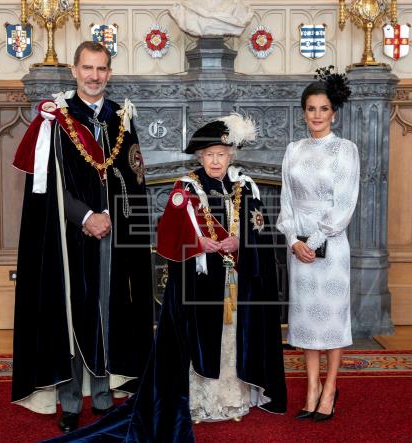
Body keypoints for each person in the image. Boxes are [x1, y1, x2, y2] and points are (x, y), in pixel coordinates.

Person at [46, 114, 287, 442]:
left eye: (222, 154)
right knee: (202, 340)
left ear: (231, 155)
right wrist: (199, 243)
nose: (216, 161)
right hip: (199, 284)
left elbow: (259, 229)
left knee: (231, 339)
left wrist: (240, 242)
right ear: (200, 157)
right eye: (209, 155)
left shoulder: (247, 187)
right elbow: (168, 237)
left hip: (235, 281)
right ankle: (202, 403)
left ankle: (232, 399)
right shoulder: (185, 189)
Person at [11, 41, 154, 433]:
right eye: (88, 68)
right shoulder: (56, 119)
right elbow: (48, 185)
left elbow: (133, 179)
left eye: (102, 69)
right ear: (74, 70)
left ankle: (105, 394)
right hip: (68, 235)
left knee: (110, 310)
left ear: (109, 72)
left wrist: (112, 219)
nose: (94, 76)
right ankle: (71, 400)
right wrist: (87, 216)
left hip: (114, 235)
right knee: (74, 312)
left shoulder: (119, 119)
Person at [276, 66, 358, 422]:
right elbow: (285, 201)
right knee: (306, 322)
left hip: (332, 246)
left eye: (324, 109)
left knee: (332, 321)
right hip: (301, 250)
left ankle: (330, 389)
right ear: (304, 112)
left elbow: (345, 202)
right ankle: (310, 388)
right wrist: (294, 240)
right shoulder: (293, 149)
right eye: (311, 108)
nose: (317, 115)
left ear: (334, 113)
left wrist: (317, 239)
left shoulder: (345, 150)